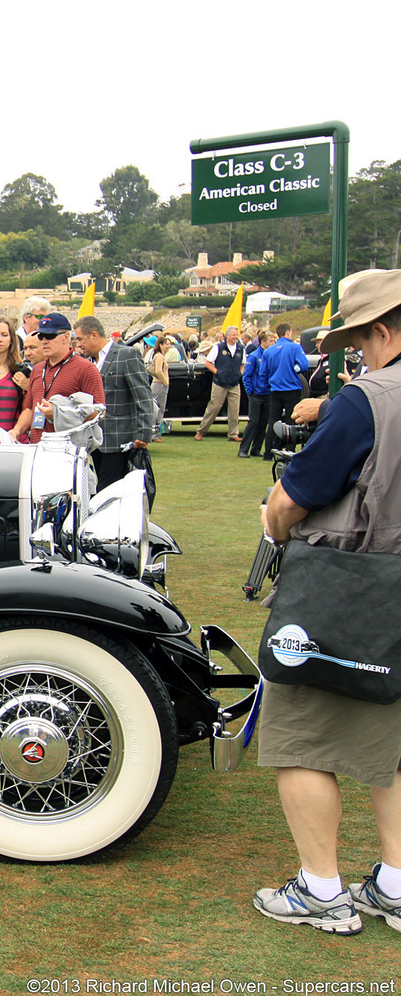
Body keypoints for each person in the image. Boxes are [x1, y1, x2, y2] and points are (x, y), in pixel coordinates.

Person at [252, 268, 401, 935]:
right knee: (394, 742)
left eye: (361, 340)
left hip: (354, 585)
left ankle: (320, 889)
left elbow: (292, 500)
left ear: (383, 330)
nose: (358, 354)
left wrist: (272, 518)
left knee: (301, 738)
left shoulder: (368, 398)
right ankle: (395, 884)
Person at [76, 316, 155, 490]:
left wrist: (143, 434)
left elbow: (143, 396)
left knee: (108, 491)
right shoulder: (87, 363)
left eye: (81, 339)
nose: (78, 345)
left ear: (94, 335)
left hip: (121, 440)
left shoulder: (127, 355)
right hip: (95, 441)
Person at [12, 313, 106, 445]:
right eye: (41, 336)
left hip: (68, 450)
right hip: (37, 447)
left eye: (49, 336)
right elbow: (29, 409)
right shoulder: (38, 370)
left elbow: (98, 413)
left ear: (66, 337)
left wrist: (58, 414)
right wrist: (16, 431)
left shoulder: (86, 369)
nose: (44, 341)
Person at [262, 322, 312, 462]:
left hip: (275, 389)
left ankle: (268, 452)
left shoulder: (269, 351)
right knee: (292, 420)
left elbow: (263, 373)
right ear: (288, 333)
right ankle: (289, 450)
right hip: (291, 388)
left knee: (273, 419)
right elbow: (304, 364)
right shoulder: (295, 347)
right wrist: (295, 368)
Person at [194, 325, 245, 441]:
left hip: (234, 383)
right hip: (219, 383)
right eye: (233, 335)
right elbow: (208, 363)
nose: (235, 337)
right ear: (227, 336)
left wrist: (240, 373)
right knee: (214, 407)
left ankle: (233, 434)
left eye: (237, 335)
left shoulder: (241, 348)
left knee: (234, 409)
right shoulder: (218, 347)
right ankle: (201, 431)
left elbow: (243, 363)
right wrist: (218, 372)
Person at [239, 331, 274, 459]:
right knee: (253, 421)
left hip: (268, 394)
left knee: (263, 422)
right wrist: (251, 392)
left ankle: (256, 448)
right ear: (263, 342)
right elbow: (246, 376)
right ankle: (243, 449)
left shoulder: (271, 356)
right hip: (256, 394)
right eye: (270, 341)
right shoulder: (254, 356)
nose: (273, 343)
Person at [149, 336, 172, 440]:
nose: (169, 346)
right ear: (161, 345)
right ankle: (155, 435)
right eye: (167, 344)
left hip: (158, 384)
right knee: (158, 410)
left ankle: (155, 434)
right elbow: (158, 371)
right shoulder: (159, 356)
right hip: (159, 385)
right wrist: (165, 381)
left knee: (157, 409)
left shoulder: (159, 355)